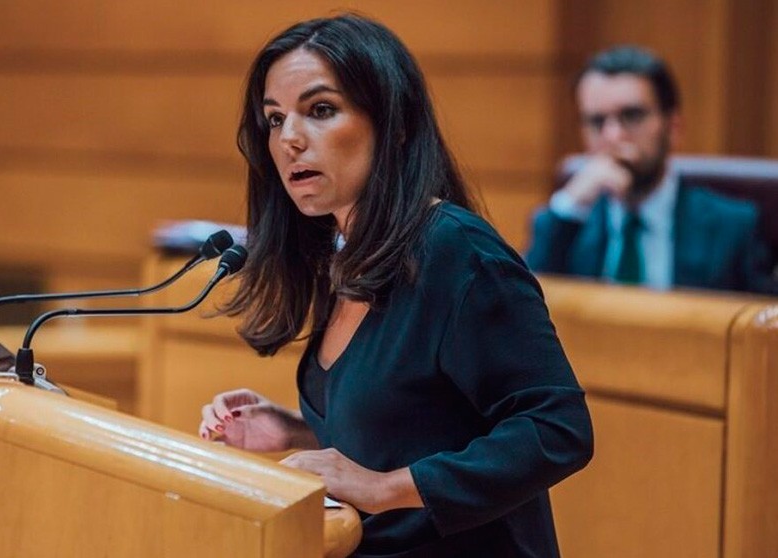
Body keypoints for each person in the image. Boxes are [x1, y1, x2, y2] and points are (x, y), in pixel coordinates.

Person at [198, 14, 593, 557]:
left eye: (320, 110)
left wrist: (384, 488)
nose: (289, 139)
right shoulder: (345, 255)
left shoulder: (456, 252)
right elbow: (422, 425)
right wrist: (295, 430)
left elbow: (557, 429)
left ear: (395, 124)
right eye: (274, 119)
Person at [525, 45, 776, 293]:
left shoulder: (732, 227)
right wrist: (570, 207)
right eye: (597, 121)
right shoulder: (568, 225)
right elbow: (523, 307)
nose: (613, 136)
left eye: (632, 116)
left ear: (673, 127)